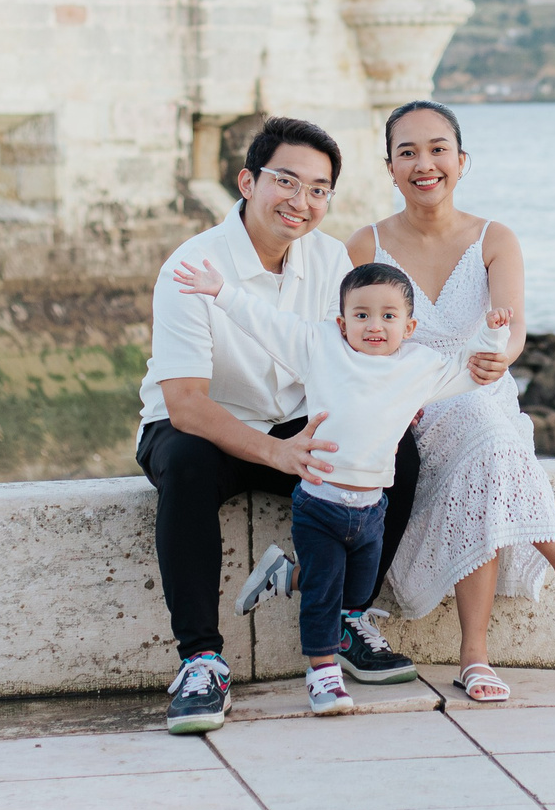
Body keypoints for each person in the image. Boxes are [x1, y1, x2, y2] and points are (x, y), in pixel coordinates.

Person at [133, 116, 422, 735]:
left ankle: (344, 618)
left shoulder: (330, 259)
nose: (302, 201)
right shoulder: (193, 265)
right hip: (207, 430)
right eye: (286, 181)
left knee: (404, 449)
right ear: (247, 181)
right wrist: (276, 453)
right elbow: (184, 402)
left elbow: (355, 363)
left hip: (295, 426)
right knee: (182, 465)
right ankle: (201, 662)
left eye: (319, 189)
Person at [355, 99, 555, 706]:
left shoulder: (494, 238)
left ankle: (480, 653)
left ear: (462, 161)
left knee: (486, 432)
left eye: (437, 150)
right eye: (408, 152)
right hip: (412, 407)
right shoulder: (365, 244)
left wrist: (500, 354)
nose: (424, 163)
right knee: (487, 438)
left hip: (484, 391)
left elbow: (512, 328)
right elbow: (357, 338)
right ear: (389, 167)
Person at [172, 257, 509, 713]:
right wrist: (221, 292)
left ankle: (287, 575)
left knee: (353, 594)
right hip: (320, 503)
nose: (375, 325)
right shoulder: (320, 346)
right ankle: (324, 676)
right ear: (342, 321)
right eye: (362, 315)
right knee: (325, 597)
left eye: (388, 316)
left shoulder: (419, 367)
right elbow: (268, 324)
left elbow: (469, 373)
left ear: (409, 326)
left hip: (372, 511)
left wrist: (493, 336)